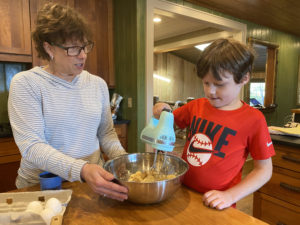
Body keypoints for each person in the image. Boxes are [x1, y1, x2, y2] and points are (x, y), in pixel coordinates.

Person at [8, 3, 128, 201]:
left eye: (84, 46)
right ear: (49, 48)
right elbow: (32, 146)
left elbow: (106, 133)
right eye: (73, 48)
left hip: (92, 186)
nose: (82, 55)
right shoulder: (26, 83)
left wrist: (123, 160)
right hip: (42, 188)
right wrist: (82, 169)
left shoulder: (97, 84)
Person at [153, 38, 275, 210]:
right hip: (181, 191)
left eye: (219, 84)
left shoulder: (254, 119)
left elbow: (264, 170)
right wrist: (162, 109)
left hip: (217, 204)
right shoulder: (196, 106)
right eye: (206, 82)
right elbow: (168, 120)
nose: (210, 91)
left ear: (244, 78)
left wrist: (231, 195)